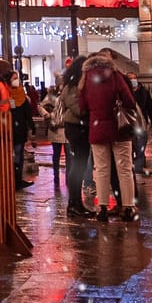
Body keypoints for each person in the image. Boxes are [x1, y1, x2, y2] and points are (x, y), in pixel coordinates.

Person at [81, 51, 139, 222]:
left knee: (101, 169)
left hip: (98, 128)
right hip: (119, 127)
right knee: (124, 168)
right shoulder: (115, 75)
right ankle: (128, 207)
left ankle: (102, 208)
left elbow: (83, 105)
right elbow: (129, 100)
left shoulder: (86, 78)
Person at [59, 56, 93, 215]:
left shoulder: (75, 85)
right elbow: (79, 109)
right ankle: (74, 203)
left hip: (78, 128)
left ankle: (75, 203)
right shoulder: (73, 87)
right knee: (78, 166)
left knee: (79, 165)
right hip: (76, 128)